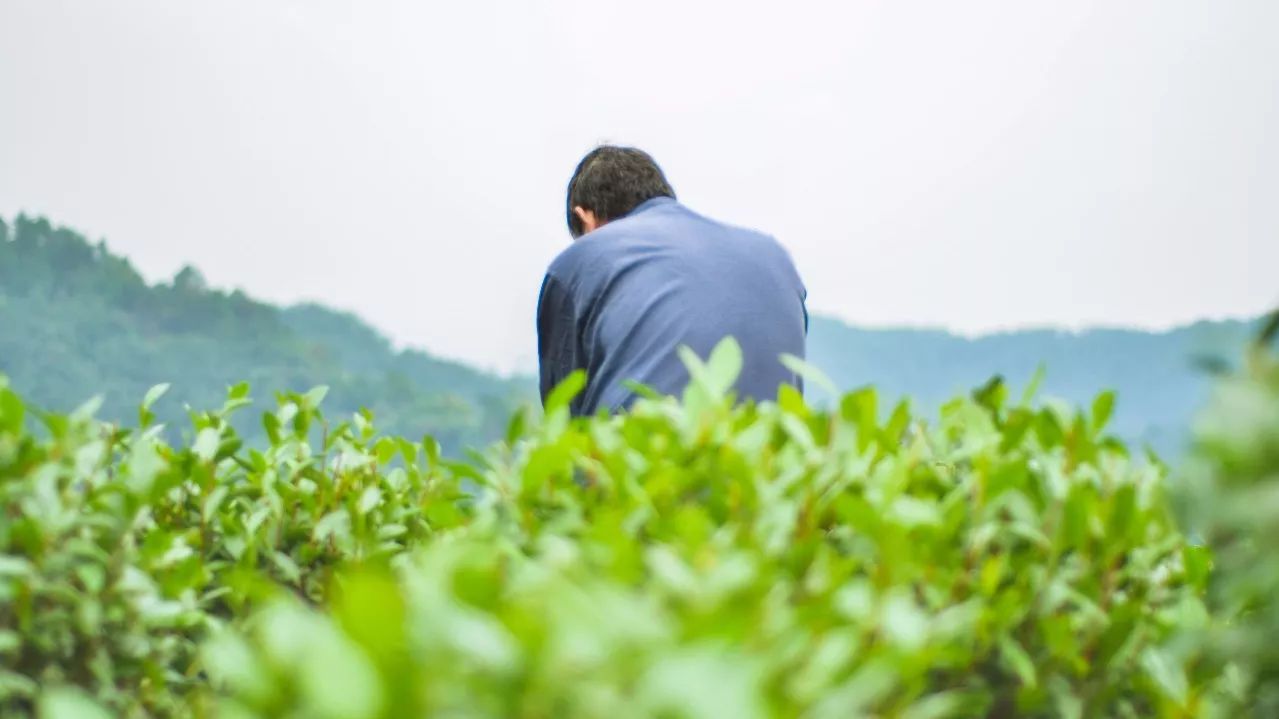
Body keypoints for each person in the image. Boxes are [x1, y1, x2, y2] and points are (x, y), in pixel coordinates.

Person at [536, 145, 808, 416]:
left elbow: (564, 422)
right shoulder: (774, 256)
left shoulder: (581, 259)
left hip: (651, 450)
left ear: (584, 217)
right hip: (769, 448)